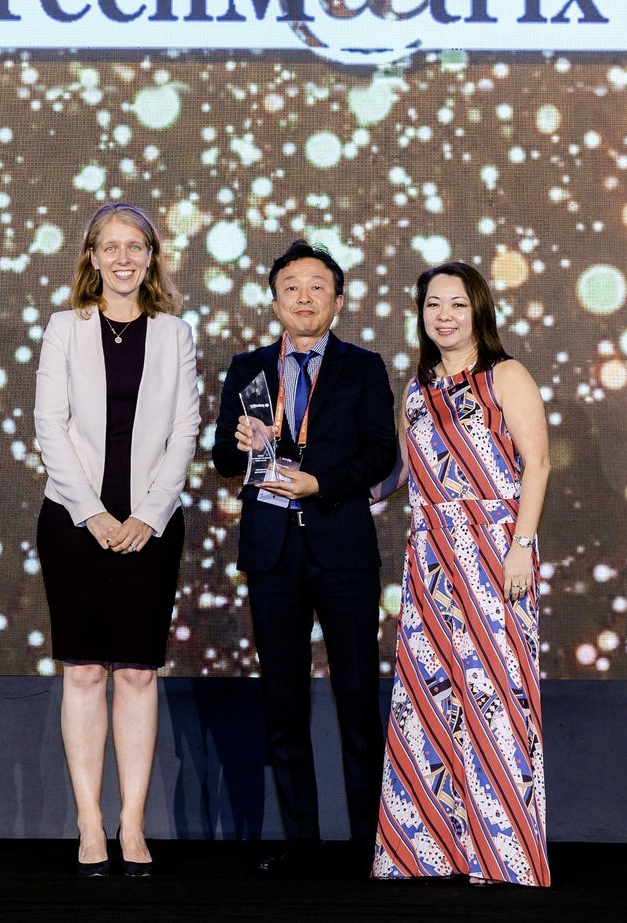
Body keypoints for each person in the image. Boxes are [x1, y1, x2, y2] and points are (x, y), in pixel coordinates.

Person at [210, 239, 398, 874]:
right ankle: (300, 842)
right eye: (291, 287)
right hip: (272, 552)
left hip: (342, 548)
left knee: (357, 699)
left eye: (317, 287)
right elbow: (223, 458)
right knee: (283, 701)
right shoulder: (248, 368)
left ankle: (371, 845)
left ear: (338, 301)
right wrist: (244, 443)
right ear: (274, 302)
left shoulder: (363, 367)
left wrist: (319, 482)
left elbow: (380, 453)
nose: (304, 297)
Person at [33, 202, 201, 878]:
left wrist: (147, 516)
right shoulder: (64, 328)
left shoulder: (175, 333)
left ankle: (131, 824)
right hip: (75, 524)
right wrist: (94, 514)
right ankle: (88, 824)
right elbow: (49, 426)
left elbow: (185, 431)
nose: (124, 258)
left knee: (136, 672)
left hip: (150, 527)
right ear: (93, 257)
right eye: (112, 247)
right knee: (83, 671)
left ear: (151, 257)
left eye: (136, 247)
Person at [372, 260, 551, 887]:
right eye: (432, 305)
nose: (443, 316)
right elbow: (402, 474)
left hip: (496, 549)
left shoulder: (506, 375)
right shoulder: (416, 389)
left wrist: (521, 545)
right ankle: (429, 851)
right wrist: (335, 489)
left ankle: (502, 855)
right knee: (430, 698)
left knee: (495, 694)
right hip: (430, 556)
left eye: (456, 304)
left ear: (478, 310)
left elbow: (538, 465)